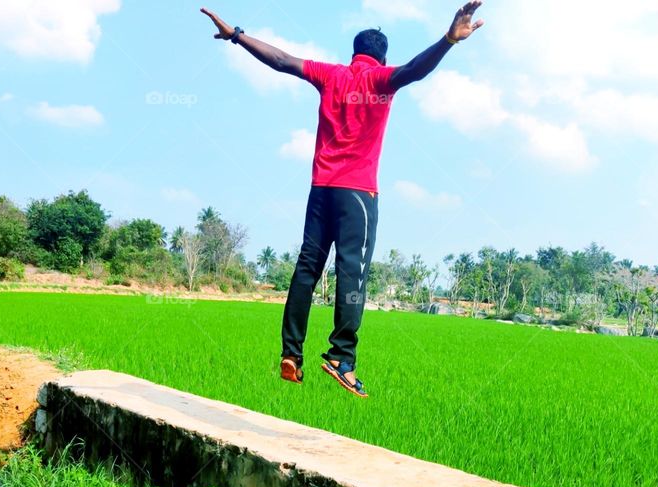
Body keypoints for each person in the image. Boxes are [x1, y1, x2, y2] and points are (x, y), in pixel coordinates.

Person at [202, 3, 485, 398]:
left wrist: (236, 35)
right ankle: (341, 358)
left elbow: (281, 60)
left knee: (307, 269)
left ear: (354, 53)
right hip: (358, 195)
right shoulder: (381, 79)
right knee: (352, 273)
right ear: (380, 57)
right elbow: (414, 69)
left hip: (321, 190)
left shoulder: (330, 75)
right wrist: (448, 41)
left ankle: (291, 353)